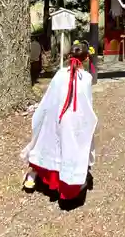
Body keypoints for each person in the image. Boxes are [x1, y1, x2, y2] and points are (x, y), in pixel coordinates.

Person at [21, 40, 98, 199]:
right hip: (73, 121)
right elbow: (86, 105)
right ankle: (67, 185)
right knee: (71, 149)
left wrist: (43, 115)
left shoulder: (60, 74)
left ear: (70, 56)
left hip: (55, 118)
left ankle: (34, 175)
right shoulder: (87, 78)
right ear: (85, 59)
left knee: (46, 143)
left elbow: (49, 99)